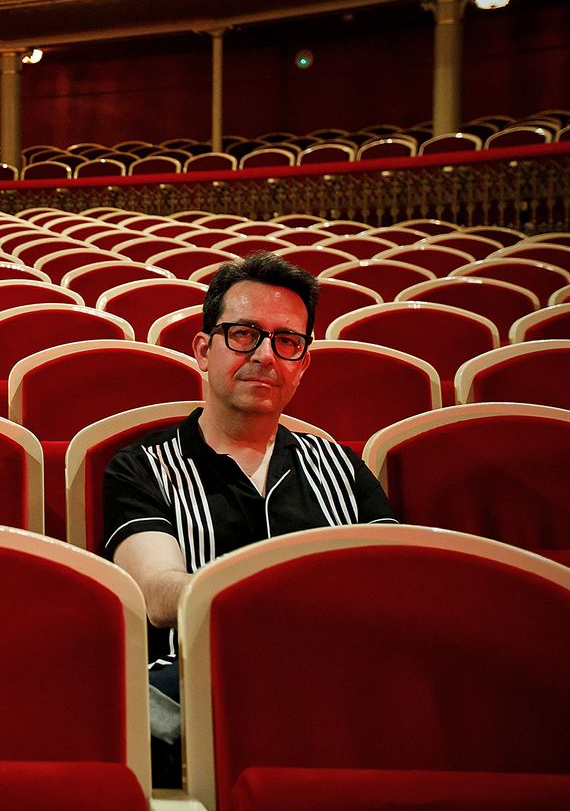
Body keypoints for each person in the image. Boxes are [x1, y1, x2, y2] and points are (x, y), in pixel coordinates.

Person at [100, 251, 397, 785]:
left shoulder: (343, 468)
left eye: (287, 342)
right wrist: (282, 608)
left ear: (302, 364)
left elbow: (392, 586)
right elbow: (158, 592)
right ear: (203, 350)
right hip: (197, 689)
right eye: (243, 334)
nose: (265, 355)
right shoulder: (143, 465)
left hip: (337, 689)